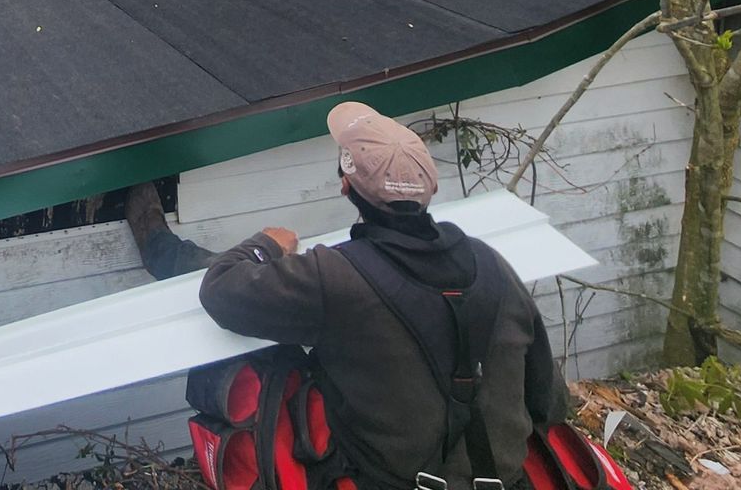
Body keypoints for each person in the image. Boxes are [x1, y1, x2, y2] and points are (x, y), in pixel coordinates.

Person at [126, 103, 567, 490]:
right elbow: (547, 402)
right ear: (430, 189)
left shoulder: (336, 276)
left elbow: (221, 289)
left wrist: (267, 243)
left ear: (345, 188)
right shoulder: (492, 264)